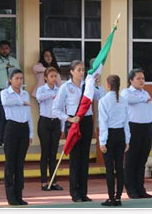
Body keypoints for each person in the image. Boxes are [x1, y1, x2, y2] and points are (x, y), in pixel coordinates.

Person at [52, 60, 101, 202]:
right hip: (74, 122)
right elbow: (55, 109)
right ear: (72, 71)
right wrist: (68, 118)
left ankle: (83, 191)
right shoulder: (65, 87)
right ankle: (75, 192)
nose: (81, 72)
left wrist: (96, 84)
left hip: (86, 121)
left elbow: (100, 96)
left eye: (83, 70)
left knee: (84, 158)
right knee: (75, 159)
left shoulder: (88, 86)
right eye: (78, 70)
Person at [1, 69, 33, 205]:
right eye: (17, 78)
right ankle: (10, 195)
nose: (20, 81)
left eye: (21, 78)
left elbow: (29, 114)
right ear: (10, 80)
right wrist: (21, 102)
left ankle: (19, 194)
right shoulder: (5, 93)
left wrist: (31, 133)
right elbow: (6, 102)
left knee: (20, 164)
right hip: (12, 127)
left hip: (23, 127)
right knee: (10, 163)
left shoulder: (25, 94)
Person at [121, 69, 152, 198]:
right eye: (138, 78)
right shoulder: (126, 92)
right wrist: (142, 100)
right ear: (131, 80)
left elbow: (151, 112)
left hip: (146, 127)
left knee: (142, 160)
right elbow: (130, 100)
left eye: (143, 78)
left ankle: (140, 188)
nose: (142, 81)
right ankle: (131, 189)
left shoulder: (145, 93)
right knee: (131, 160)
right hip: (133, 128)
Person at [98, 75, 131, 207]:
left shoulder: (103, 101)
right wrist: (127, 140)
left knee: (109, 169)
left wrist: (102, 141)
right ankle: (118, 197)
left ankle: (111, 198)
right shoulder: (123, 100)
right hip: (120, 135)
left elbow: (103, 123)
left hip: (110, 135)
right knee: (119, 168)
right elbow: (126, 122)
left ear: (108, 85)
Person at [36, 67, 64, 191]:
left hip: (56, 122)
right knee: (45, 153)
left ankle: (53, 181)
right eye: (51, 76)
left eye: (55, 76)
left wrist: (63, 127)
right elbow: (39, 98)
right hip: (45, 121)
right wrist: (53, 94)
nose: (54, 79)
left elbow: (63, 108)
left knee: (53, 153)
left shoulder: (60, 90)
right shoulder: (41, 89)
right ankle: (43, 181)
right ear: (46, 78)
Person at [0, 40, 20, 148]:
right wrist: (5, 65)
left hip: (11, 91)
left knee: (10, 115)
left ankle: (8, 139)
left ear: (10, 49)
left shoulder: (13, 60)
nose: (4, 50)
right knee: (1, 115)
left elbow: (18, 71)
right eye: (2, 48)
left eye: (6, 48)